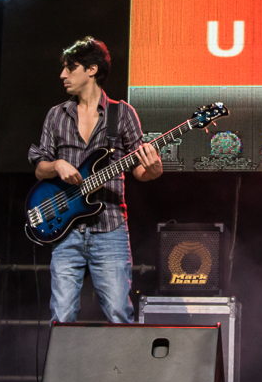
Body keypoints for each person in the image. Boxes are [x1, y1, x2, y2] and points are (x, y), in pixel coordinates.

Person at [28, 37, 163, 323]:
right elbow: (40, 168)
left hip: (110, 229)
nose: (63, 75)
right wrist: (57, 165)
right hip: (64, 231)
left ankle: (122, 370)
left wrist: (152, 170)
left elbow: (139, 170)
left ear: (91, 69)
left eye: (70, 68)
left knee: (118, 313)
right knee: (62, 315)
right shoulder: (56, 116)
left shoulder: (122, 113)